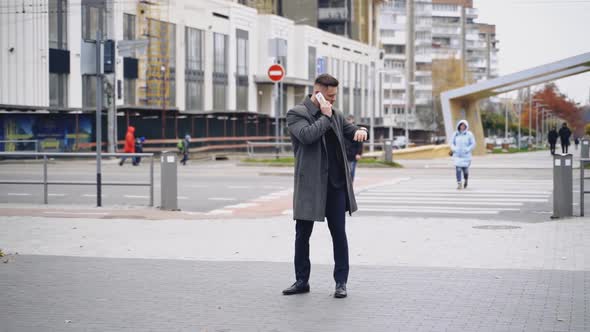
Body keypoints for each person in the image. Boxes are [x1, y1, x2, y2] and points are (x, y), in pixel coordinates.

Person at [283, 74, 368, 299]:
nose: (333, 100)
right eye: (329, 96)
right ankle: (302, 281)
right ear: (317, 92)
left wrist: (362, 131)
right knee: (303, 234)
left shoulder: (336, 114)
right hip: (310, 185)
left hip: (336, 185)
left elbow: (353, 131)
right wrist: (325, 116)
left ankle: (341, 283)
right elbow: (306, 136)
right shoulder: (296, 114)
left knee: (339, 233)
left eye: (335, 96)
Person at [450, 120, 476, 190]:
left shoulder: (469, 134)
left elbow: (473, 144)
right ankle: (459, 183)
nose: (462, 127)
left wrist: (467, 149)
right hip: (457, 156)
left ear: (466, 126)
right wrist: (454, 149)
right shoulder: (455, 134)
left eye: (464, 125)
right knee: (458, 169)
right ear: (459, 126)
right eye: (461, 125)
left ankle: (466, 180)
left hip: (466, 156)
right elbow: (451, 143)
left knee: (465, 171)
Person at [344, 115, 363, 181]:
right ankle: (347, 186)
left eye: (351, 120)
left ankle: (351, 185)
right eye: (348, 120)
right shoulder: (344, 130)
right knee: (346, 172)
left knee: (351, 171)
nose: (349, 122)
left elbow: (360, 143)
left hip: (353, 155)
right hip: (345, 154)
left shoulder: (357, 130)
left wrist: (359, 153)